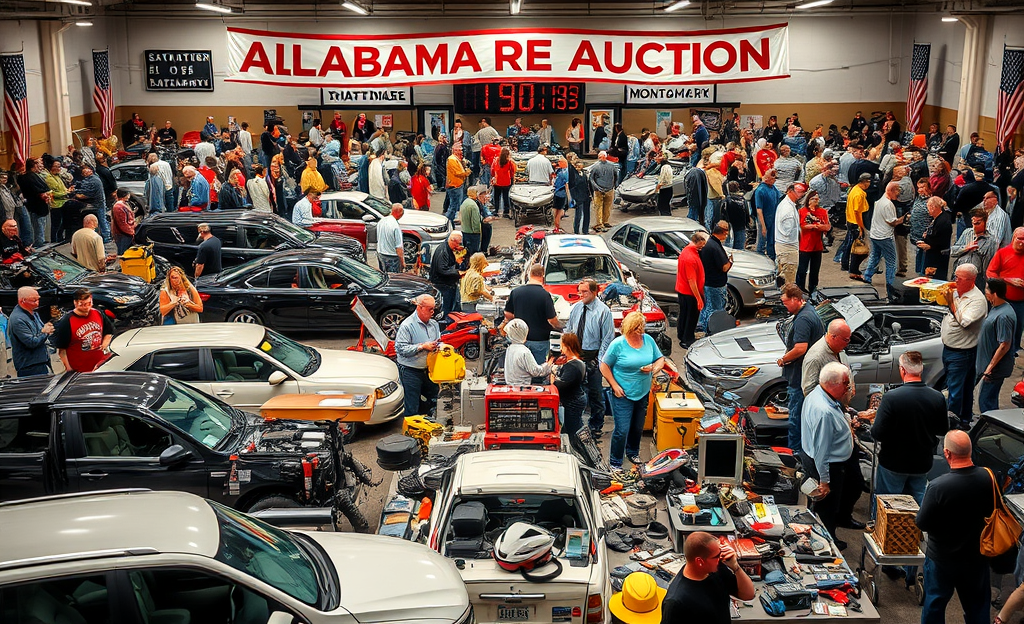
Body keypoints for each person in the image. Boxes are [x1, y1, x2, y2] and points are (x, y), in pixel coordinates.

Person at [870, 350, 949, 579]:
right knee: (916, 515)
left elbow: (877, 432)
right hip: (921, 465)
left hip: (893, 464)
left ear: (902, 370)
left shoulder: (892, 398)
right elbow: (942, 430)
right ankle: (911, 567)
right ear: (921, 370)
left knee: (888, 511)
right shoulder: (936, 398)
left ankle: (888, 560)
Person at [916, 431, 994, 624]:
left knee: (935, 605)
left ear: (947, 453)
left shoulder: (938, 487)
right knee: (977, 608)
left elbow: (922, 522)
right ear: (970, 451)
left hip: (942, 559)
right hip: (976, 558)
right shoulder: (988, 477)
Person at [800, 362, 862, 548]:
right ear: (833, 384)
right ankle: (828, 539)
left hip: (842, 459)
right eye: (846, 384)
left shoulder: (822, 394)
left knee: (855, 485)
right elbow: (821, 451)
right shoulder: (824, 412)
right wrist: (824, 481)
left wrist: (848, 416)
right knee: (827, 505)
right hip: (829, 465)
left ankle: (843, 518)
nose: (849, 388)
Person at [601, 311, 665, 470]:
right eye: (636, 328)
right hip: (622, 394)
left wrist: (653, 369)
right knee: (622, 430)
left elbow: (660, 359)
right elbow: (604, 365)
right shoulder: (618, 344)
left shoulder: (648, 340)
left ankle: (633, 451)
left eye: (641, 327)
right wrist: (614, 385)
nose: (640, 331)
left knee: (637, 427)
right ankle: (615, 461)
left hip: (642, 393)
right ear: (629, 327)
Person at [660, 531, 755, 624]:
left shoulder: (717, 570)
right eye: (717, 556)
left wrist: (736, 567)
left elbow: (748, 595)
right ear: (700, 561)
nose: (721, 557)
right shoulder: (676, 601)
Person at [938, 264, 987, 429]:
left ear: (971, 280)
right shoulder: (957, 291)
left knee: (955, 390)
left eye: (959, 278)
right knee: (963, 388)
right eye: (955, 276)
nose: (955, 280)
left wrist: (951, 303)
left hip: (962, 353)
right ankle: (964, 420)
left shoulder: (978, 301)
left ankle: (952, 424)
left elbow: (965, 322)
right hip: (951, 349)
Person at [778, 283, 825, 453]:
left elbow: (800, 348)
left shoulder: (803, 319)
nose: (784, 305)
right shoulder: (808, 310)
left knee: (796, 417)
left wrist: (783, 359)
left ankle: (795, 452)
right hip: (806, 375)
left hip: (800, 377)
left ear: (797, 299)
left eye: (785, 302)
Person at [566, 278, 615, 438]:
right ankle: (576, 426)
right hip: (576, 357)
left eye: (585, 291)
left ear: (595, 292)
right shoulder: (576, 308)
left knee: (595, 394)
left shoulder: (603, 312)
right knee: (575, 393)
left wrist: (599, 361)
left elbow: (607, 338)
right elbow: (569, 330)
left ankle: (595, 426)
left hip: (593, 357)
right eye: (579, 291)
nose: (581, 295)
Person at [395, 294, 441, 418]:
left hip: (429, 370)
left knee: (436, 397)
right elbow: (401, 349)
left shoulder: (434, 325)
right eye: (429, 309)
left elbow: (438, 341)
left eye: (433, 309)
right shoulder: (407, 326)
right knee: (412, 406)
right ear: (419, 308)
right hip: (410, 371)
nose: (432, 312)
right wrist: (422, 346)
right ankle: (411, 434)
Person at [504, 264, 561, 364]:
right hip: (539, 340)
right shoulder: (545, 295)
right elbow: (551, 320)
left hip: (520, 340)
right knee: (538, 371)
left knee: (521, 369)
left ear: (530, 274)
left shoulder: (516, 292)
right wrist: (560, 327)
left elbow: (508, 314)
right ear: (543, 276)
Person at [976, 277, 1016, 412]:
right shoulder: (996, 308)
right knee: (986, 399)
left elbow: (1005, 344)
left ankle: (991, 430)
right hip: (988, 366)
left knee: (987, 403)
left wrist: (989, 368)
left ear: (994, 293)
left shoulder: (1004, 316)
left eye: (986, 289)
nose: (985, 291)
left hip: (995, 369)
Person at [52, 288, 114, 373]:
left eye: (89, 303)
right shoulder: (67, 321)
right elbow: (62, 350)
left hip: (100, 366)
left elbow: (109, 332)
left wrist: (104, 345)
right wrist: (69, 369)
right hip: (80, 370)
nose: (86, 307)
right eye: (82, 304)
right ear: (75, 303)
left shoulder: (98, 313)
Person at [862, 182, 905, 294]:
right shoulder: (888, 205)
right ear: (891, 190)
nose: (898, 195)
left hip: (875, 234)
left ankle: (867, 276)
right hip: (884, 237)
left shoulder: (880, 201)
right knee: (891, 262)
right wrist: (903, 219)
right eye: (897, 192)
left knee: (875, 255)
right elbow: (892, 222)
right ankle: (891, 284)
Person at [987, 227, 1024, 355]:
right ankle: (997, 351)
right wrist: (1008, 281)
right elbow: (990, 273)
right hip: (1003, 300)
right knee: (999, 328)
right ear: (1013, 238)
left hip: (1021, 301)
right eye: (1020, 238)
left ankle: (1012, 351)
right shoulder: (1003, 253)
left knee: (1018, 327)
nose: (1022, 242)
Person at [8, 286, 54, 377]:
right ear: (22, 301)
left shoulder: (33, 312)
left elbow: (41, 330)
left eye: (38, 299)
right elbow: (31, 342)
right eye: (34, 300)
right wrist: (45, 332)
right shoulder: (17, 319)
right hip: (29, 367)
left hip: (41, 362)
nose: (37, 303)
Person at [801, 319, 851, 397]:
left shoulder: (838, 348)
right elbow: (809, 391)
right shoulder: (815, 358)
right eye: (846, 340)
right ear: (833, 337)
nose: (848, 343)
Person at [950, 208, 998, 289]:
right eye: (973, 223)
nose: (974, 226)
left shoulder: (990, 241)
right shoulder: (967, 232)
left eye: (978, 223)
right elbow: (953, 251)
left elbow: (988, 266)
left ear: (985, 222)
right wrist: (965, 248)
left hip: (976, 278)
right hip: (959, 273)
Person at [697, 221, 731, 329]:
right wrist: (730, 262)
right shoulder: (715, 247)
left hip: (708, 283)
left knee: (707, 308)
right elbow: (724, 267)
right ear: (723, 232)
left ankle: (703, 327)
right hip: (716, 285)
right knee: (716, 310)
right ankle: (712, 330)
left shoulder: (709, 244)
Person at [676, 232, 706, 349]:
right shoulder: (690, 258)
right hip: (690, 292)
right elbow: (691, 280)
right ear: (696, 243)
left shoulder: (686, 251)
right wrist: (698, 298)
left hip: (683, 290)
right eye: (701, 245)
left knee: (684, 314)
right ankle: (687, 339)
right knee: (691, 317)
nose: (702, 247)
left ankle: (682, 335)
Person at [838, 173, 872, 278]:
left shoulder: (854, 189)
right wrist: (861, 227)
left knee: (848, 244)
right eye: (869, 182)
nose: (869, 184)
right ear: (865, 182)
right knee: (854, 246)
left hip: (850, 220)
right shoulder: (859, 194)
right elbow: (857, 212)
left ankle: (844, 263)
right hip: (855, 222)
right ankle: (852, 267)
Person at [503, 318, 554, 386]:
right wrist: (550, 364)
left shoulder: (510, 348)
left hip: (511, 386)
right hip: (523, 388)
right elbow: (536, 372)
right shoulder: (524, 352)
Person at [797, 190, 830, 293]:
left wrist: (819, 227)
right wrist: (816, 226)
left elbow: (827, 227)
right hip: (805, 245)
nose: (815, 201)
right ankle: (800, 288)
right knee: (802, 269)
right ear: (808, 200)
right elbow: (802, 225)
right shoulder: (802, 211)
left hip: (817, 246)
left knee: (815, 270)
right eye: (813, 199)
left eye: (817, 199)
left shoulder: (822, 212)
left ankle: (813, 288)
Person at [430, 231, 469, 318]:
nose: (459, 245)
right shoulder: (443, 251)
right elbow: (442, 269)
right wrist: (457, 273)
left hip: (448, 284)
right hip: (443, 285)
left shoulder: (448, 249)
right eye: (458, 243)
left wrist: (456, 261)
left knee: (452, 306)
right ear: (453, 241)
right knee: (446, 309)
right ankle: (446, 323)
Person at [774, 183, 805, 285]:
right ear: (790, 192)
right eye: (799, 193)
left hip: (784, 246)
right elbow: (787, 231)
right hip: (788, 248)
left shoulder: (787, 205)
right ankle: (787, 299)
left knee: (784, 277)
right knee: (788, 281)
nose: (801, 195)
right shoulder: (788, 209)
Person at [918, 196, 954, 280]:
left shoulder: (943, 221)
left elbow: (941, 239)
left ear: (933, 207)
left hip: (938, 256)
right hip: (935, 253)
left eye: (929, 208)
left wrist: (929, 245)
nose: (928, 211)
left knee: (936, 278)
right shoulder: (939, 218)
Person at [753, 169, 779, 259]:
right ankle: (760, 262)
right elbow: (759, 210)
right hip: (764, 219)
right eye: (773, 178)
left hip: (773, 219)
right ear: (767, 178)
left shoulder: (773, 188)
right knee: (761, 242)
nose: (775, 180)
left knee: (771, 241)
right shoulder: (760, 190)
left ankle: (771, 258)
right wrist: (763, 226)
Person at [590, 152, 618, 232]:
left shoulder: (595, 166)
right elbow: (616, 176)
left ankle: (602, 222)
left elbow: (591, 178)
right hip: (606, 189)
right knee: (604, 206)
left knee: (602, 207)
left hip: (602, 189)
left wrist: (596, 187)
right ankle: (603, 222)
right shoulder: (611, 166)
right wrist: (613, 185)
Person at [377, 203, 405, 273]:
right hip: (391, 258)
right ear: (399, 213)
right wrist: (402, 263)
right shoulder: (396, 226)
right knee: (392, 279)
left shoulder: (382, 221)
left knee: (383, 276)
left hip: (380, 254)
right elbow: (399, 248)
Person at [445, 149, 471, 224]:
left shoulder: (455, 159)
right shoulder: (452, 159)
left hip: (458, 185)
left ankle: (451, 221)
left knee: (456, 205)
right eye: (460, 150)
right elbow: (457, 172)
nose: (461, 152)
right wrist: (466, 173)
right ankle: (448, 221)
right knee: (453, 206)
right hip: (454, 186)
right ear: (455, 151)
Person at [491, 147, 516, 219]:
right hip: (506, 182)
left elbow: (492, 170)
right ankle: (506, 212)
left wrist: (493, 176)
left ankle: (496, 211)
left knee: (496, 197)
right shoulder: (509, 162)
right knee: (506, 197)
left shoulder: (496, 160)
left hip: (497, 182)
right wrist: (511, 178)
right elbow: (512, 171)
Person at [110, 188, 136, 255]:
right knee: (123, 253)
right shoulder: (119, 206)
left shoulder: (122, 204)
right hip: (123, 234)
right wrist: (131, 232)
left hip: (126, 233)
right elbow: (122, 224)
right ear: (126, 195)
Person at [460, 186, 484, 256]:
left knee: (467, 254)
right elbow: (475, 221)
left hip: (465, 231)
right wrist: (478, 233)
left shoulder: (465, 202)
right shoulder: (473, 206)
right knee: (474, 254)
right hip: (472, 233)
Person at [654, 151, 674, 217]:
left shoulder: (664, 167)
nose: (655, 158)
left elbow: (663, 179)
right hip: (669, 188)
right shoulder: (668, 167)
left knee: (662, 206)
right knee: (666, 206)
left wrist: (658, 187)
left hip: (665, 189)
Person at [552, 158, 569, 232]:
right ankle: (557, 227)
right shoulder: (565, 172)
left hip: (556, 193)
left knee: (556, 210)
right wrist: (568, 195)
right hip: (562, 194)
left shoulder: (558, 171)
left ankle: (555, 226)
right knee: (560, 211)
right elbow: (566, 185)